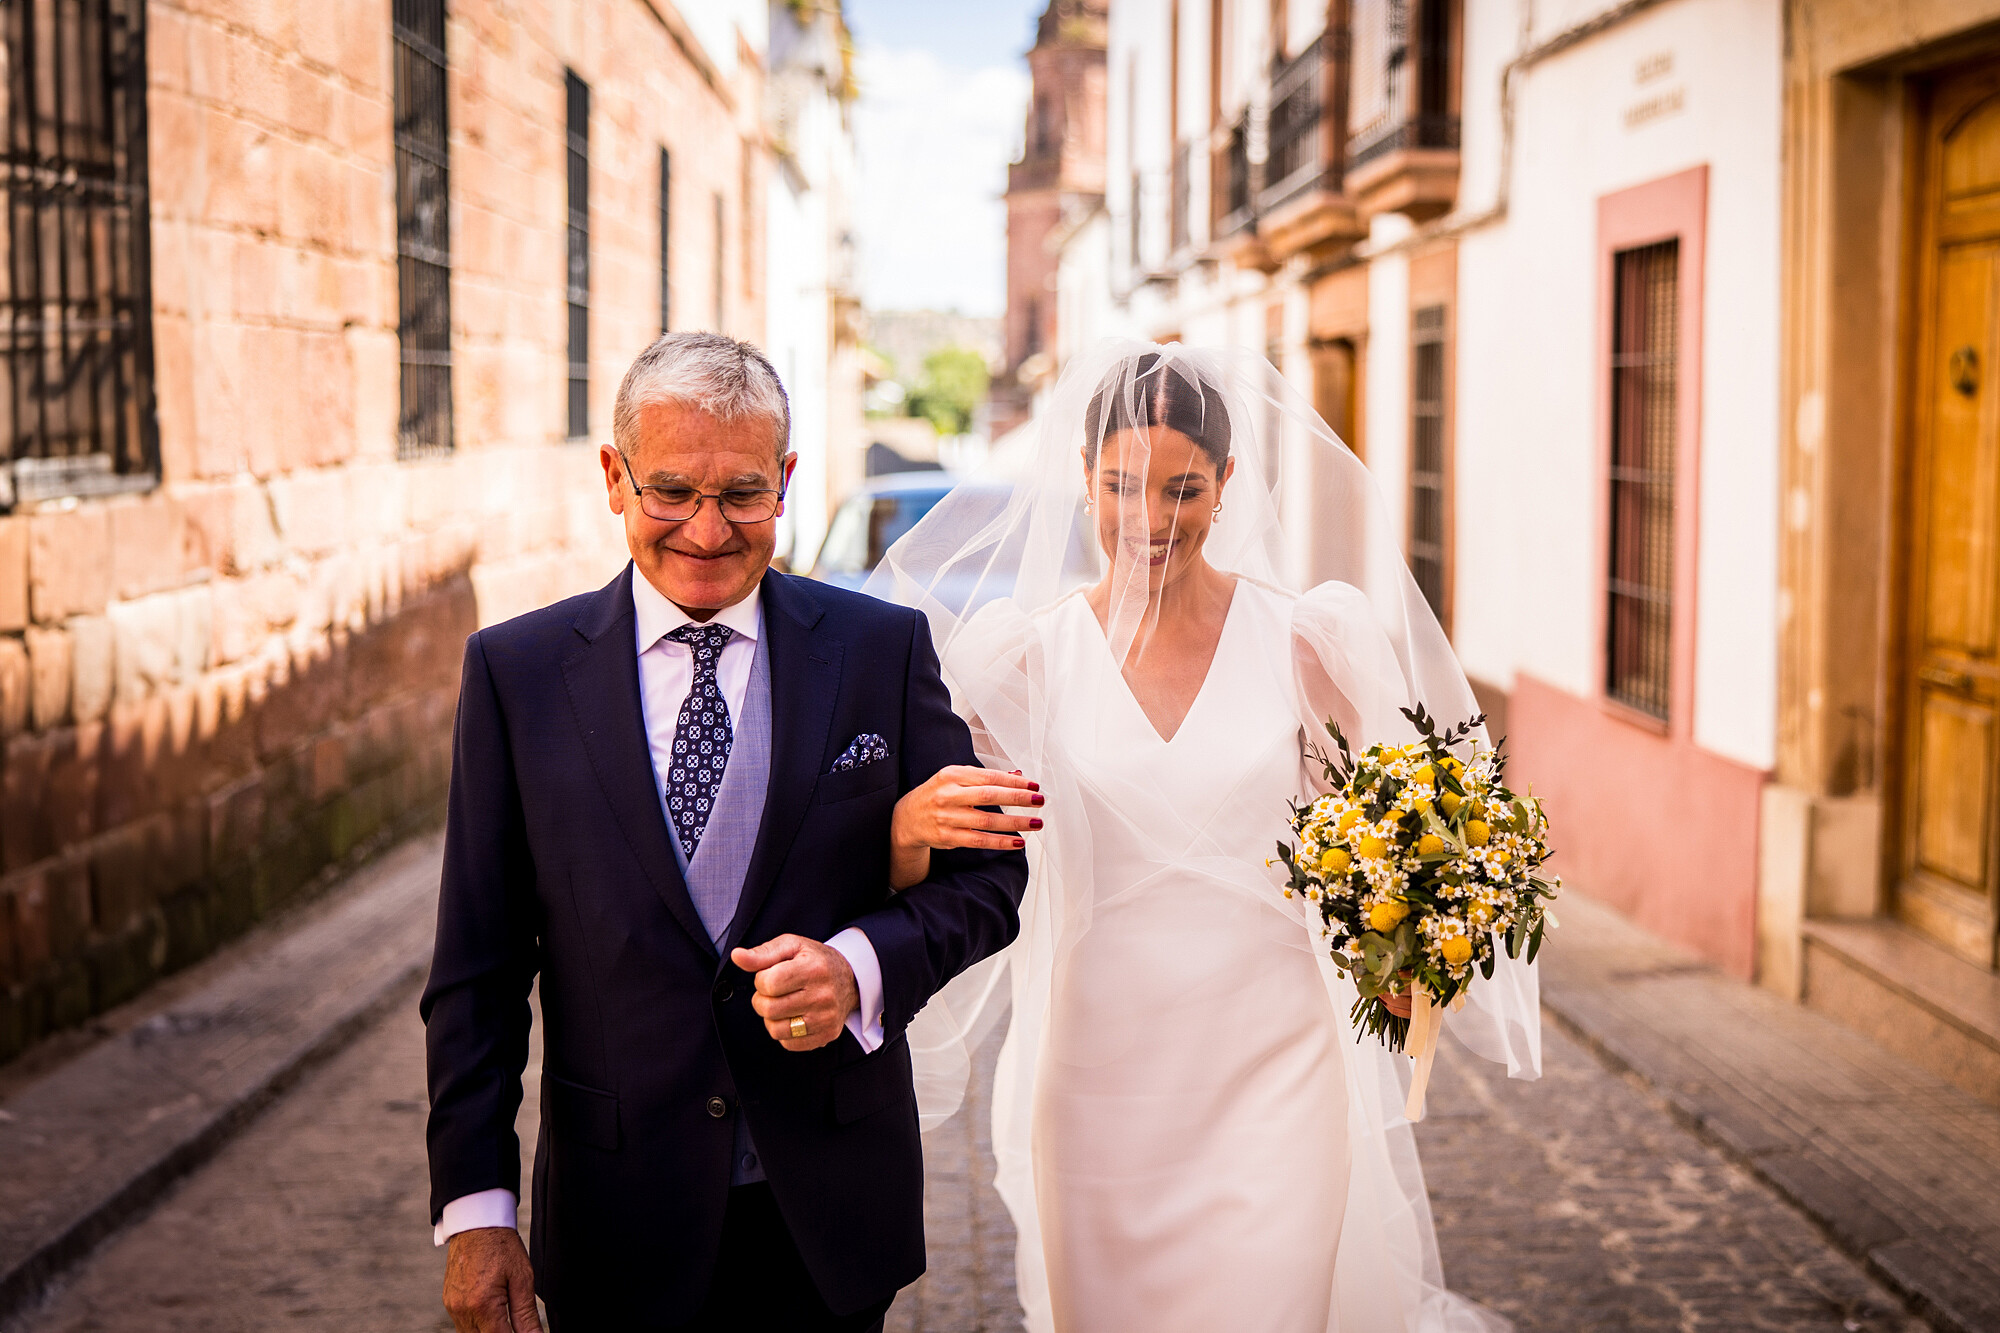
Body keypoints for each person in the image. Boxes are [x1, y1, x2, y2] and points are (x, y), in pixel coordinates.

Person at [872, 342, 1544, 1332]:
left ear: (1227, 482)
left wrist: (1406, 958)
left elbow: (1382, 847)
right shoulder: (1023, 661)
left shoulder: (1308, 642)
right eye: (1120, 486)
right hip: (1099, 1078)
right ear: (1083, 478)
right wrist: (902, 829)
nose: (1149, 520)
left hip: (1277, 1071)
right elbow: (949, 871)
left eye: (1181, 489)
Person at [421, 332, 1035, 1332]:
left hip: (828, 1217)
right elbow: (477, 973)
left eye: (742, 494)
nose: (707, 532)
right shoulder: (514, 674)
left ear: (784, 480)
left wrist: (858, 967)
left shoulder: (880, 649)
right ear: (613, 477)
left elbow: (987, 878)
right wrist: (477, 1212)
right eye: (671, 491)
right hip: (617, 1220)